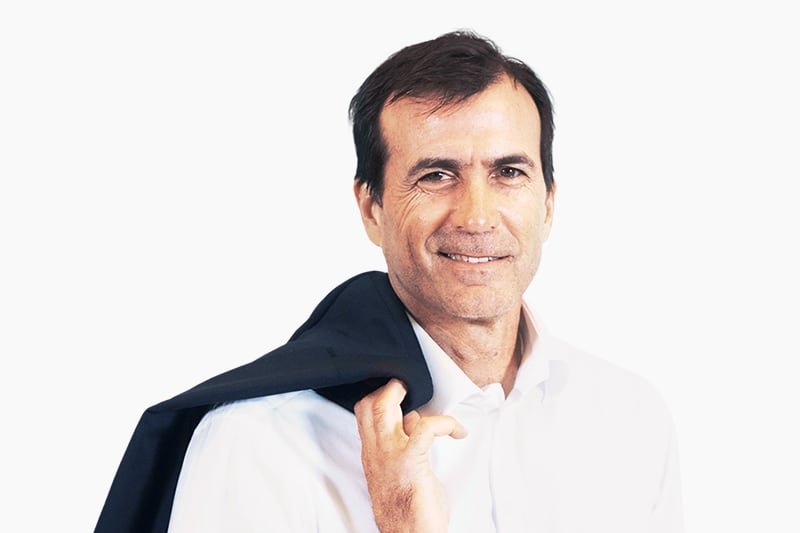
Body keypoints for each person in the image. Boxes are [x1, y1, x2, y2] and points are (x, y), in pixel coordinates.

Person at [96, 31, 683, 533]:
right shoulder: (256, 443)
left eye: (508, 172)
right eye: (436, 175)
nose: (477, 217)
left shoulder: (630, 417)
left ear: (548, 204)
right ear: (371, 208)